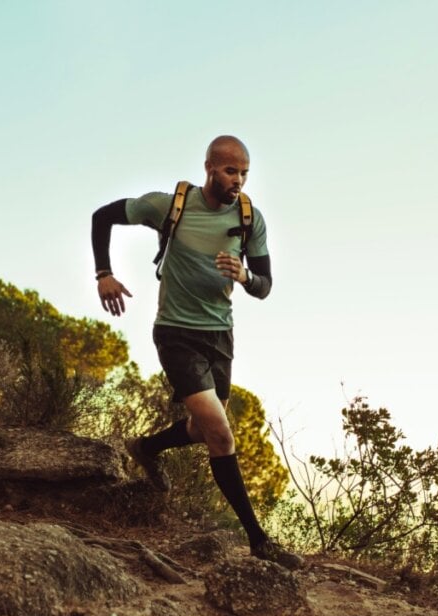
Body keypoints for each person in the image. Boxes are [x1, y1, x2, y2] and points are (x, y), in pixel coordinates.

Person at [91, 135, 303, 570]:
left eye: (244, 173)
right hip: (175, 332)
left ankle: (146, 447)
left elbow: (265, 287)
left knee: (204, 428)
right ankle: (259, 541)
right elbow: (102, 216)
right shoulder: (170, 206)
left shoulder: (250, 219)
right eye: (230, 171)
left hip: (220, 336)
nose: (238, 180)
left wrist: (244, 276)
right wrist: (103, 274)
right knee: (222, 434)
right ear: (209, 167)